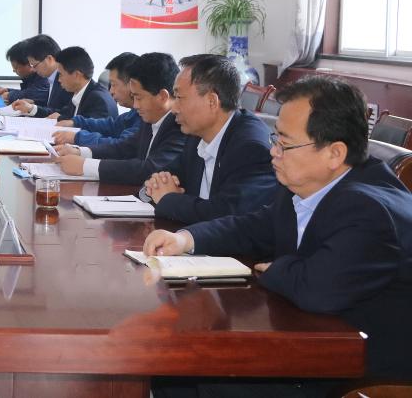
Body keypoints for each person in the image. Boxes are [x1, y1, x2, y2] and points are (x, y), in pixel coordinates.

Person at [144, 76, 412, 392]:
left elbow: (316, 290)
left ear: (334, 153)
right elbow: (254, 226)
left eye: (285, 143)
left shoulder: (369, 208)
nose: (273, 151)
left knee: (195, 375)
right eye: (276, 138)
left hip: (362, 370)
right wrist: (186, 239)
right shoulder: (305, 184)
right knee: (172, 371)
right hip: (315, 338)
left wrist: (275, 268)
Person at [143, 54, 277, 224]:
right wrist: (153, 187)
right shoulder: (197, 136)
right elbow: (160, 179)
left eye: (179, 98)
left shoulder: (250, 148)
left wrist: (168, 199)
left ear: (212, 101)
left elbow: (226, 215)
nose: (174, 108)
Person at [57, 52, 187, 184]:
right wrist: (81, 152)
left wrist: (85, 166)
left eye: (139, 98)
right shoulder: (151, 118)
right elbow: (124, 148)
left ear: (162, 97)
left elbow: (150, 169)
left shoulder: (179, 126)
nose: (135, 105)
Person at [53, 52, 140, 147]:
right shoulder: (132, 114)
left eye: (114, 84)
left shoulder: (144, 117)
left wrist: (77, 137)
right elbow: (111, 125)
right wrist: (75, 122)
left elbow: (121, 146)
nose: (111, 91)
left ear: (132, 84)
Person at [10, 35, 71, 118]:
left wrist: (33, 108)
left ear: (49, 59)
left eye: (35, 65)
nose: (34, 70)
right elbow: (53, 107)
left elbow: (67, 113)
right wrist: (33, 104)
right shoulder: (52, 78)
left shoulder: (67, 79)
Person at [0, 40, 49, 104]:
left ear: (30, 63)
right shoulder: (30, 77)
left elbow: (37, 94)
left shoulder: (43, 74)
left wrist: (8, 95)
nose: (14, 70)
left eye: (16, 67)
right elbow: (27, 92)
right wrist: (8, 90)